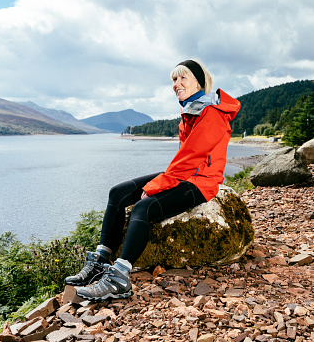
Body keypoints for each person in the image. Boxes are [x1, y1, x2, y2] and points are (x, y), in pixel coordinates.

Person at [65, 59, 241, 302]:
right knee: (118, 192)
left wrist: (157, 186)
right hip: (186, 174)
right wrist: (164, 180)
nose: (176, 84)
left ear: (199, 82)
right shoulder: (191, 110)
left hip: (201, 182)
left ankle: (119, 278)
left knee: (143, 206)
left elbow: (192, 158)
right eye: (173, 80)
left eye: (183, 78)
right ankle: (100, 260)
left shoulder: (211, 114)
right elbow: (183, 160)